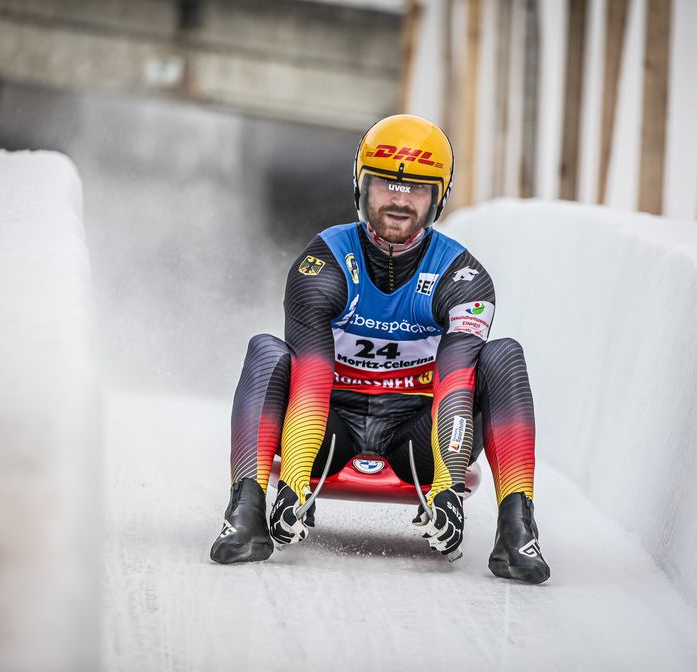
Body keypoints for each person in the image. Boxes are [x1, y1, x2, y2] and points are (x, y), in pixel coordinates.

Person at [209, 114, 549, 584]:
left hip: (419, 436)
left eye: (417, 189)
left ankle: (517, 528)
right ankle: (245, 512)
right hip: (333, 425)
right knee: (267, 349)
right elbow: (309, 379)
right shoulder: (321, 262)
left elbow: (455, 384)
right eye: (386, 184)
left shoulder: (463, 277)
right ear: (361, 187)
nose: (400, 200)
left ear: (439, 198)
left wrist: (448, 485)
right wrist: (292, 482)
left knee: (502, 354)